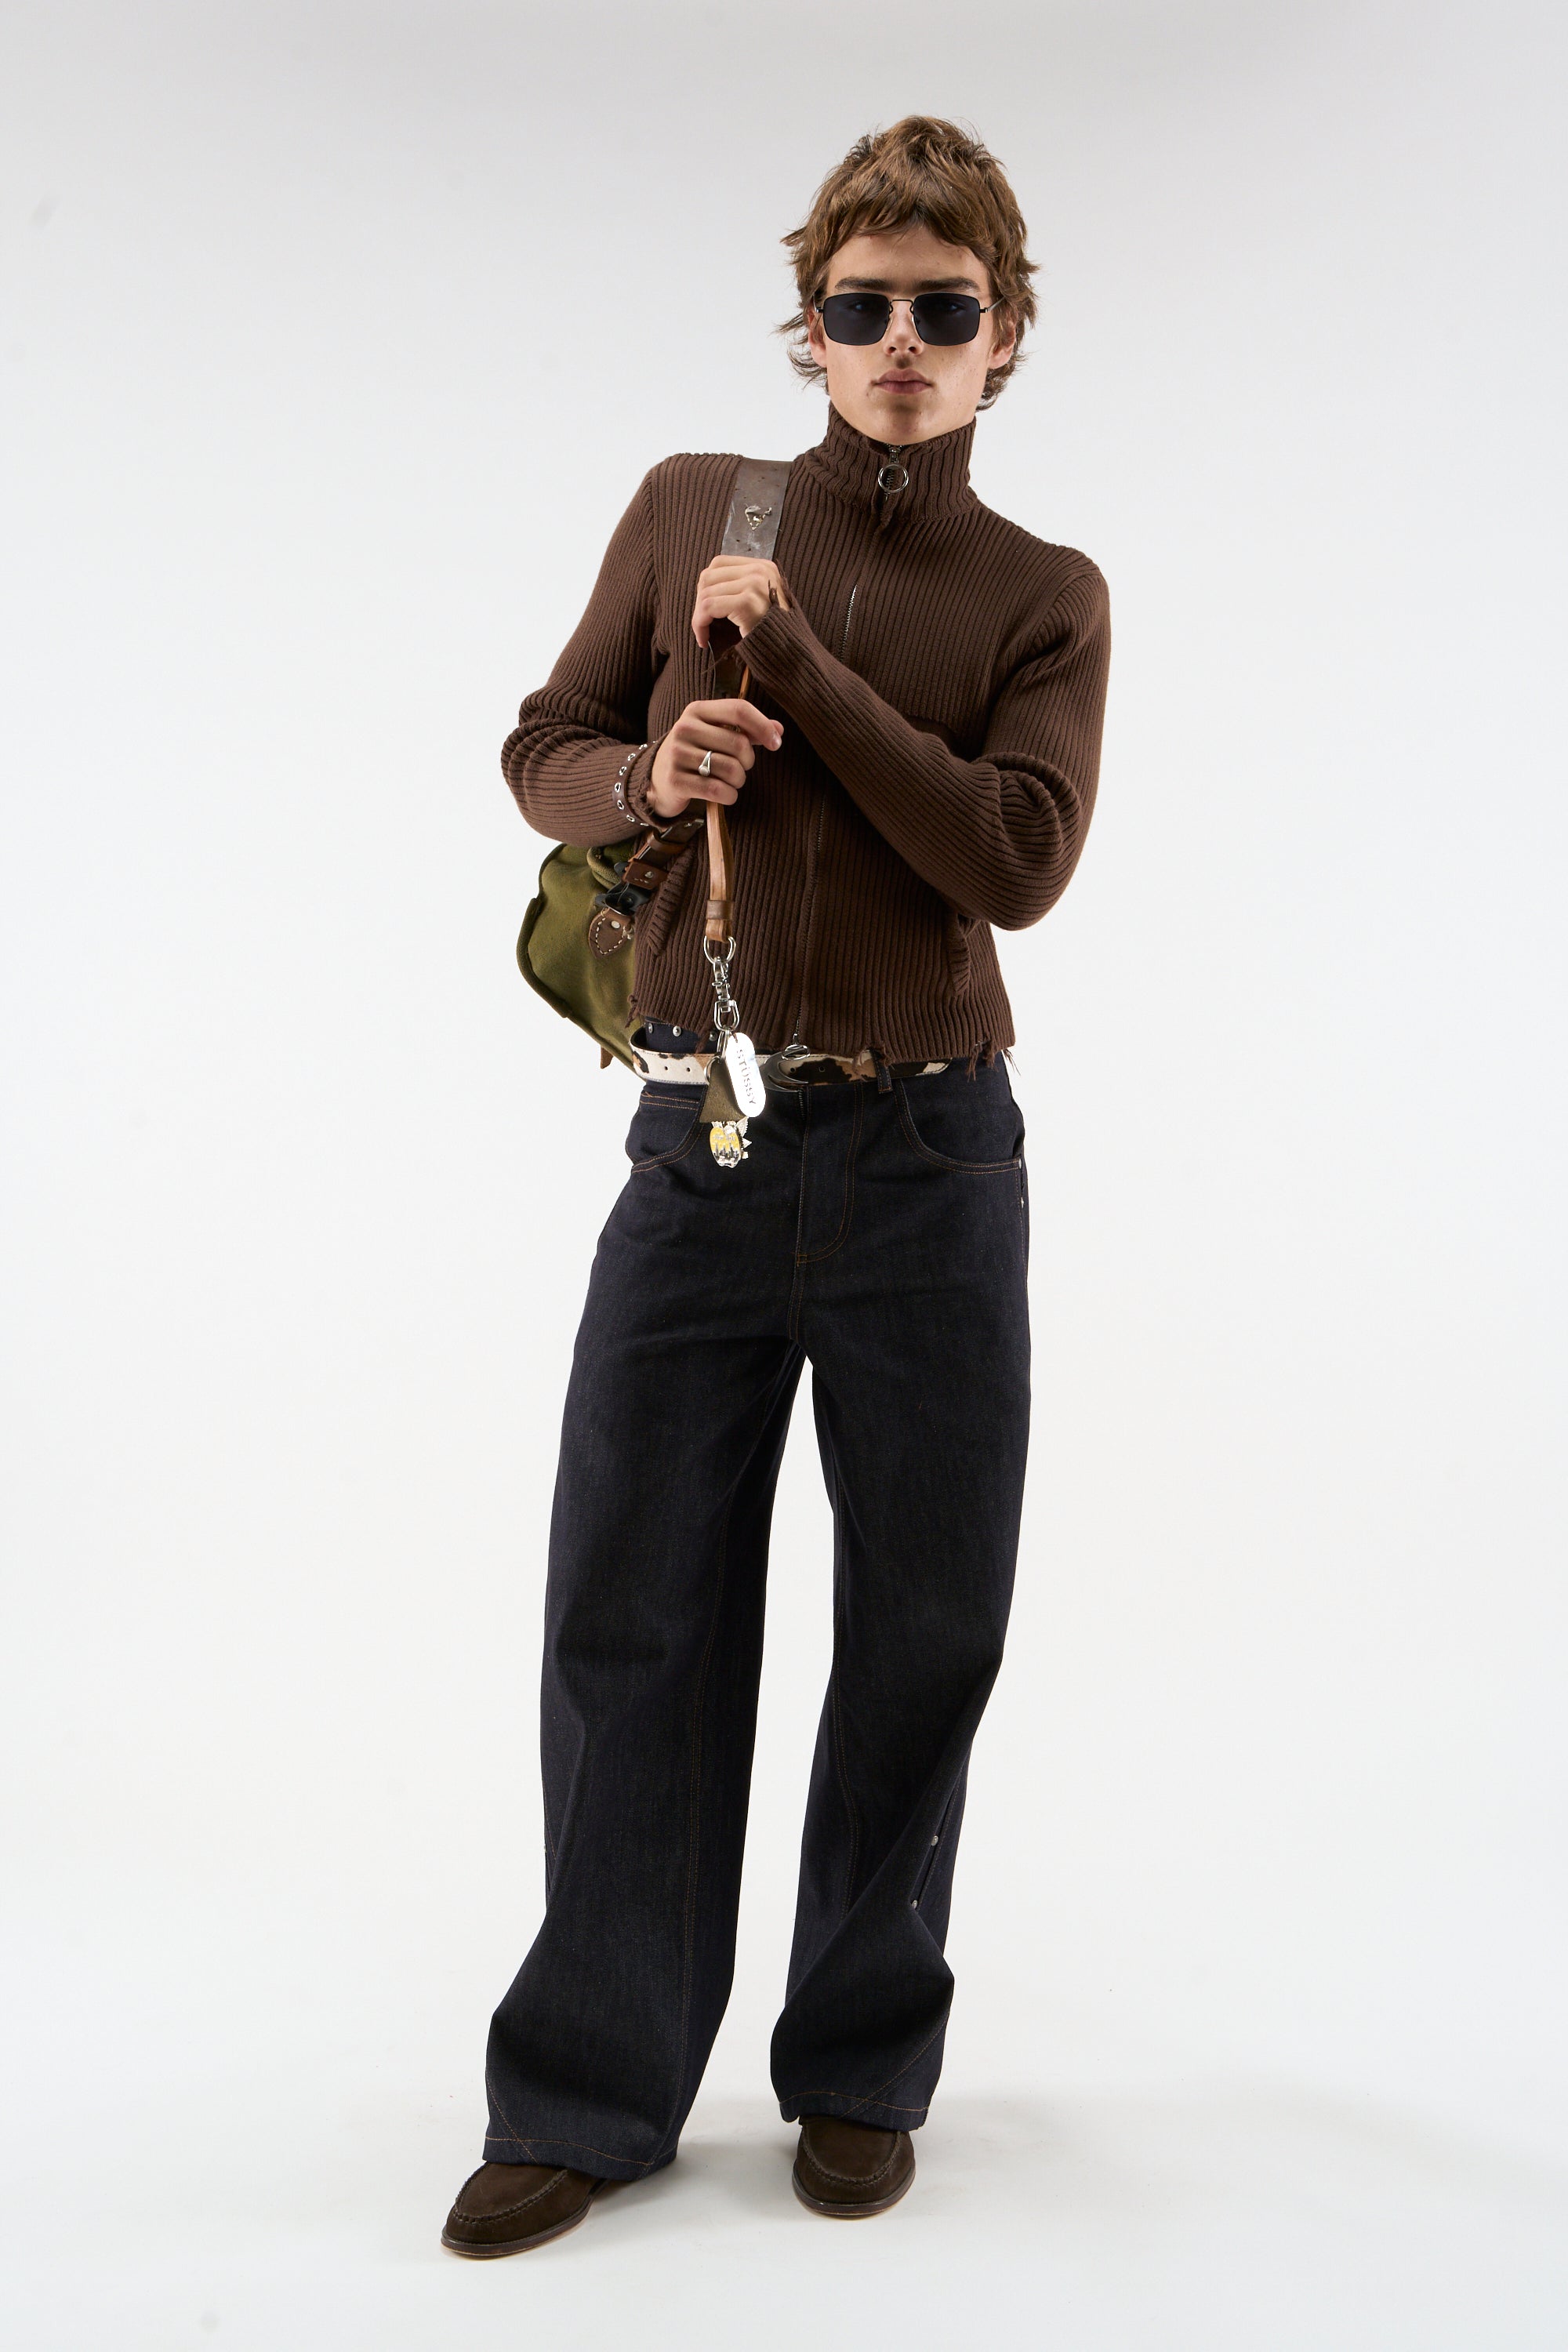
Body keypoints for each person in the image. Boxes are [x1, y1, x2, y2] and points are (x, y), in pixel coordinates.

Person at [442, 114, 1111, 2256]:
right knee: (630, 1607)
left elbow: (1018, 856)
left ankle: (858, 2068)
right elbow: (541, 742)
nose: (901, 340)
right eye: (861, 305)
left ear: (1006, 338)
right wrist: (651, 768)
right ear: (810, 327)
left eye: (946, 308)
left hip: (934, 1154)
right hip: (706, 1140)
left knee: (924, 1623)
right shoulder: (694, 511)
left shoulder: (1045, 596)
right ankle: (592, 2087)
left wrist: (798, 674)